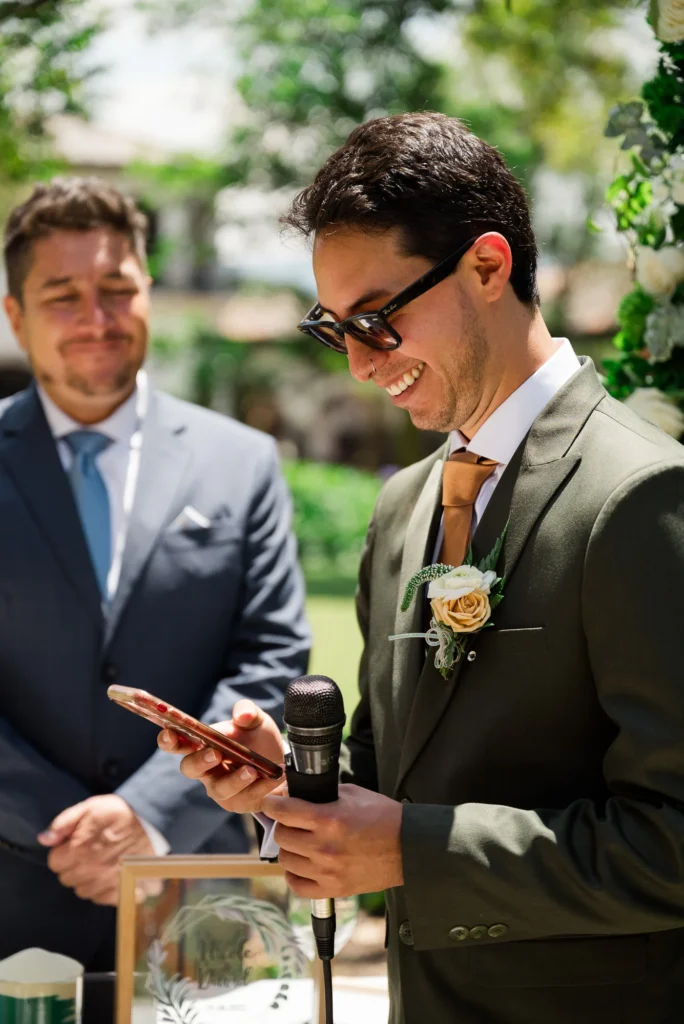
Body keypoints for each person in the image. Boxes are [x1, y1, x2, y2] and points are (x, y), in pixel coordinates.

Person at [160, 112, 684, 1024]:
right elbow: (396, 772)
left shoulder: (641, 497)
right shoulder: (405, 506)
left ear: (488, 267)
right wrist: (296, 782)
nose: (362, 364)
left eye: (377, 321)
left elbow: (672, 842)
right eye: (335, 329)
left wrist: (416, 851)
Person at [0, 177, 309, 1016]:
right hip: (13, 895)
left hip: (200, 895)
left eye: (117, 289)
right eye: (62, 296)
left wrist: (146, 813)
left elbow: (273, 655)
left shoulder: (241, 461)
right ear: (15, 314)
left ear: (147, 294)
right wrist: (70, 826)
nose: (96, 318)